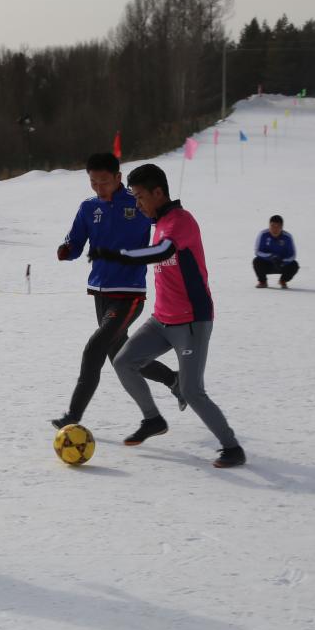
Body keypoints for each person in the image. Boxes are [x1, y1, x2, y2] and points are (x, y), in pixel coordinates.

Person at [92, 163, 244, 468]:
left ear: (158, 193)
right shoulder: (158, 221)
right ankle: (153, 419)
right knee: (123, 361)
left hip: (191, 322)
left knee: (192, 390)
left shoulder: (180, 222)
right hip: (162, 319)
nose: (138, 203)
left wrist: (119, 256)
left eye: (140, 197)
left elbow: (162, 251)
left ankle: (232, 448)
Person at [50, 152, 151, 429]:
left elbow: (164, 222)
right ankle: (173, 380)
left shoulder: (138, 203)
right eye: (93, 182)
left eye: (104, 182)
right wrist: (67, 250)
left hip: (129, 293)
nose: (98, 188)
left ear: (118, 178)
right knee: (121, 355)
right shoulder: (87, 207)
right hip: (100, 291)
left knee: (95, 348)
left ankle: (73, 416)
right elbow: (76, 241)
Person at [252, 214, 299, 288]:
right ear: (269, 226)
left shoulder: (287, 237)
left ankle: (283, 281)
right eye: (272, 226)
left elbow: (293, 255)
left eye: (278, 227)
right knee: (256, 261)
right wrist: (270, 256)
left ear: (282, 227)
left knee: (294, 265)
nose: (275, 229)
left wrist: (283, 261)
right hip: (267, 263)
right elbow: (257, 251)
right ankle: (263, 282)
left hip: (282, 264)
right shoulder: (263, 234)